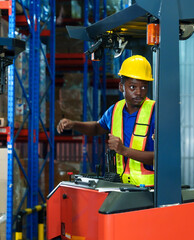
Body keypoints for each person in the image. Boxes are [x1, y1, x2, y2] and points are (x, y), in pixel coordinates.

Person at [57, 55, 156, 186]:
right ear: (121, 87)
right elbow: (98, 128)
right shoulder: (115, 110)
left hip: (148, 192)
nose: (139, 92)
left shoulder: (155, 112)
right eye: (133, 87)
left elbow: (159, 157)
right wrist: (74, 124)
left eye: (143, 87)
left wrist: (123, 150)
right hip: (119, 188)